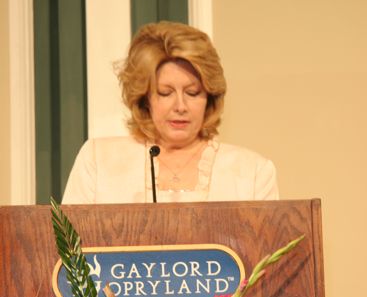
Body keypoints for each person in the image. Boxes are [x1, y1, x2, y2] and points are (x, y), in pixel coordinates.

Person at [62, 21, 278, 204]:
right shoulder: (98, 161)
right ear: (145, 98)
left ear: (209, 97)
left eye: (193, 93)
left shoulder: (253, 172)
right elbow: (65, 251)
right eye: (165, 93)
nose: (180, 106)